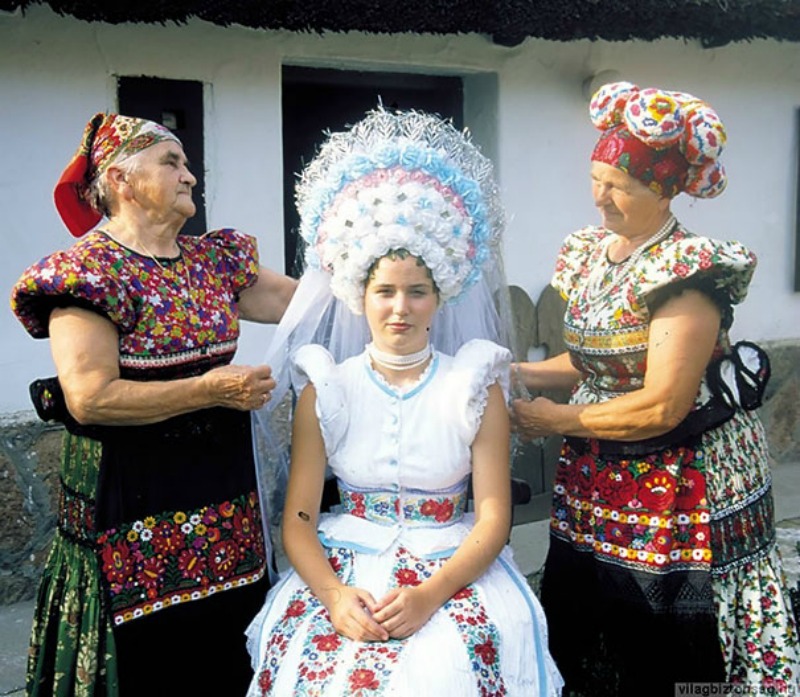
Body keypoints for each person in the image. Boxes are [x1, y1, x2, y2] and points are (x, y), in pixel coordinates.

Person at [245, 107, 563, 696]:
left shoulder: (475, 385)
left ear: (440, 297)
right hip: (345, 566)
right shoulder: (328, 386)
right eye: (384, 291)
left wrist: (429, 595)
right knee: (315, 667)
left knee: (449, 666)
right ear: (358, 296)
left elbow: (493, 517)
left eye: (417, 292)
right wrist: (335, 596)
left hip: (452, 564)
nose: (400, 308)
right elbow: (297, 521)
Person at [510, 82, 800, 695]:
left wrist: (551, 421)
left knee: (670, 634)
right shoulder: (592, 254)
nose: (601, 198)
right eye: (596, 178)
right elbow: (597, 362)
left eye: (620, 185)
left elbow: (663, 403)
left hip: (680, 480)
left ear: (665, 190)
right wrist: (521, 375)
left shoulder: (687, 271)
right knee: (592, 613)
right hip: (600, 474)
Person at [10, 113, 298, 696]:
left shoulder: (212, 263)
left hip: (223, 498)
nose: (190, 175)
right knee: (152, 655)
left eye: (188, 163)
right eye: (171, 162)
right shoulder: (87, 274)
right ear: (120, 178)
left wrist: (376, 261)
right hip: (131, 503)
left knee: (226, 638)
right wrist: (210, 389)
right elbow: (90, 398)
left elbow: (310, 305)